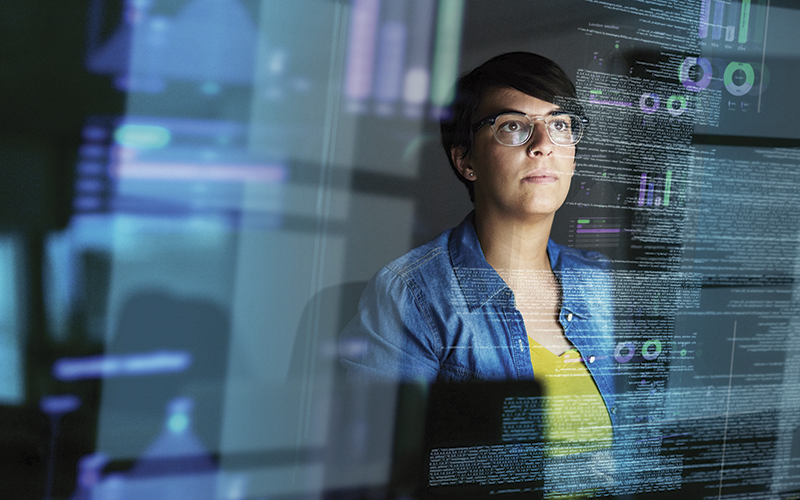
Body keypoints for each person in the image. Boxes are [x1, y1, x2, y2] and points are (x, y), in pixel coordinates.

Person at [339, 54, 618, 481]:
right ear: (465, 161)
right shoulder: (412, 293)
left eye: (560, 124)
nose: (543, 142)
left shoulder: (603, 282)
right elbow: (372, 471)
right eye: (512, 125)